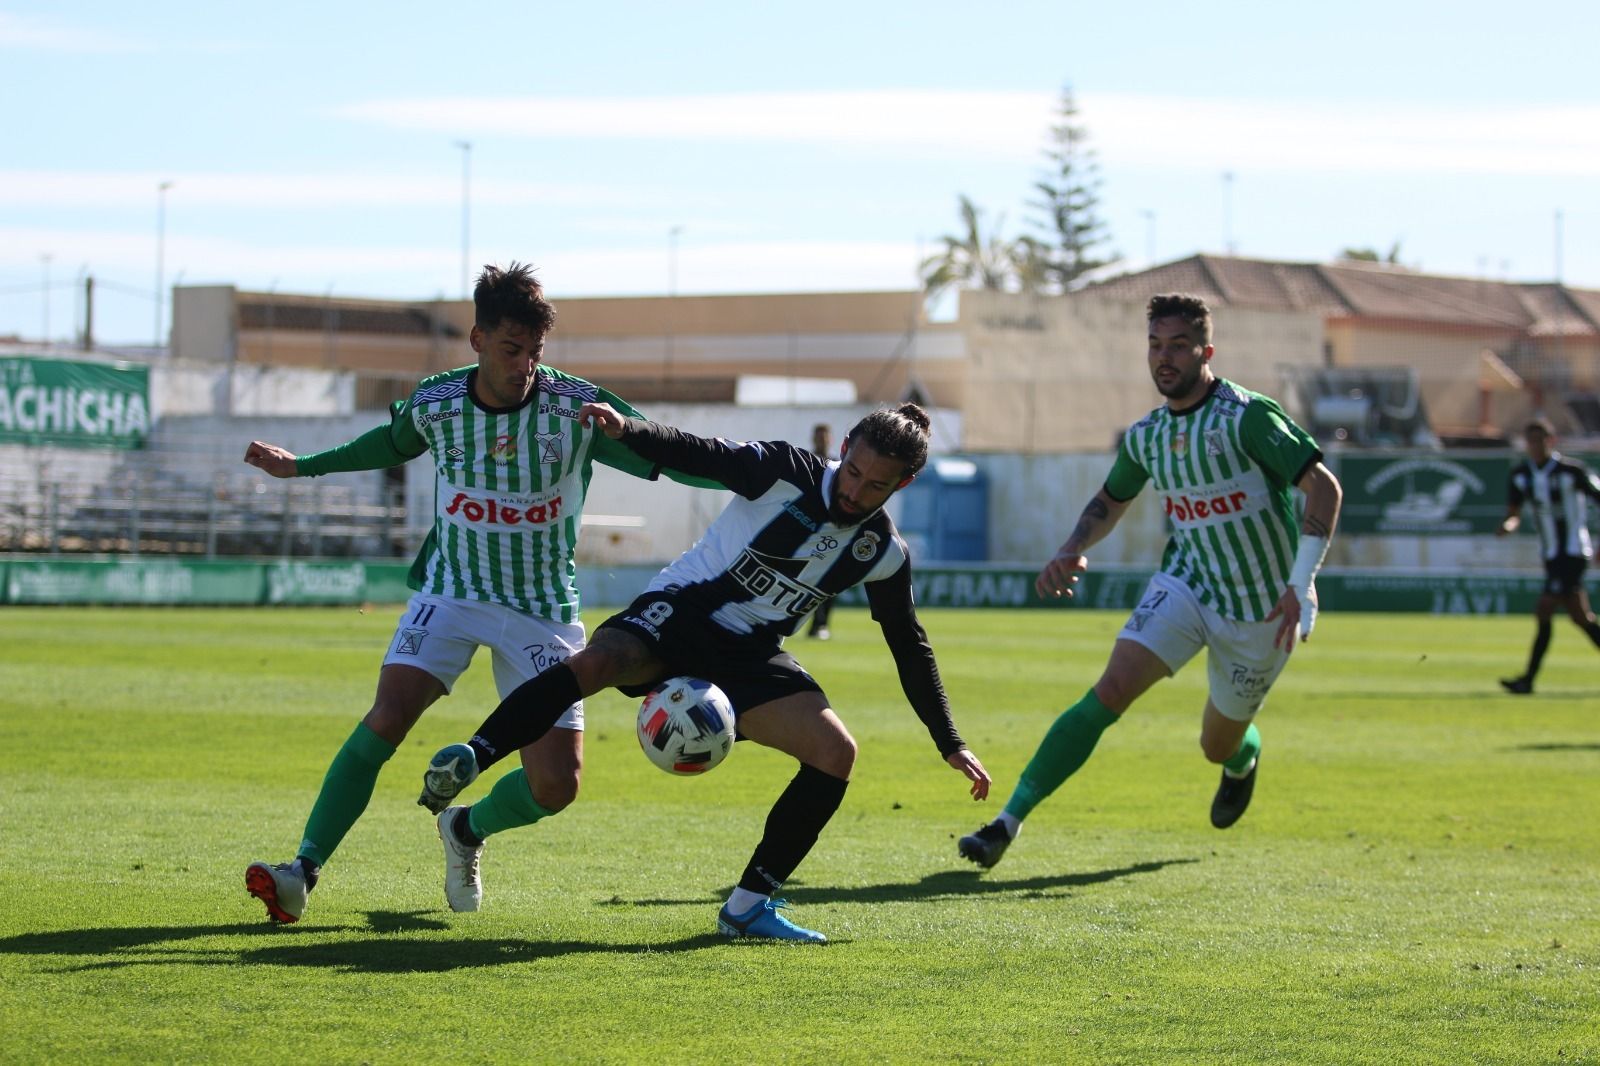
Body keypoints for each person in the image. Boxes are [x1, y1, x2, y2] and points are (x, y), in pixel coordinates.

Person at [241, 262, 714, 924]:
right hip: (451, 595)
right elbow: (389, 442)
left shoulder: (578, 411)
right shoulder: (437, 404)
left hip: (541, 611)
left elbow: (676, 455)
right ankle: (302, 871)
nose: (524, 366)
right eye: (511, 350)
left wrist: (767, 481)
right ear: (478, 340)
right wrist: (303, 466)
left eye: (535, 353)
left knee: (557, 785)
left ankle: (465, 829)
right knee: (387, 717)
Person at [418, 401, 991, 941]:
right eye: (854, 472)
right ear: (845, 448)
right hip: (681, 611)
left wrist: (950, 740)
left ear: (902, 485)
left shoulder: (883, 551)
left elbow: (909, 645)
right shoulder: (783, 471)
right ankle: (475, 754)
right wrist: (628, 430)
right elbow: (701, 453)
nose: (856, 490)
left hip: (749, 652)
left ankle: (747, 907)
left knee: (835, 752)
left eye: (876, 485)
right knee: (599, 662)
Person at [958, 293, 1342, 869]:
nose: (1164, 358)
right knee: (1109, 690)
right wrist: (1071, 547)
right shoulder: (1147, 436)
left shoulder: (1248, 417)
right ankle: (1005, 823)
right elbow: (1110, 500)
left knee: (1217, 745)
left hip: (1264, 607)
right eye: (1155, 345)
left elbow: (1325, 489)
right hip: (1187, 583)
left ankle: (1242, 759)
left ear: (1205, 351)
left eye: (1178, 346)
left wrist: (1300, 582)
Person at [1496, 417, 1600, 694]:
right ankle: (1527, 681)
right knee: (1581, 618)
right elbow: (1513, 514)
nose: (1534, 446)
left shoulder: (1572, 471)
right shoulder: (1521, 475)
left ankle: (1528, 680)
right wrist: (1508, 526)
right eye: (1529, 441)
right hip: (1551, 554)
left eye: (1539, 440)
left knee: (1544, 607)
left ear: (1550, 441)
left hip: (1574, 551)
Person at [806, 422, 836, 639]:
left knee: (832, 581)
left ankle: (821, 624)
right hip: (809, 529)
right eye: (819, 437)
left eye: (825, 437)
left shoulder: (839, 464)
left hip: (833, 529)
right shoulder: (806, 462)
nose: (822, 440)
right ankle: (815, 623)